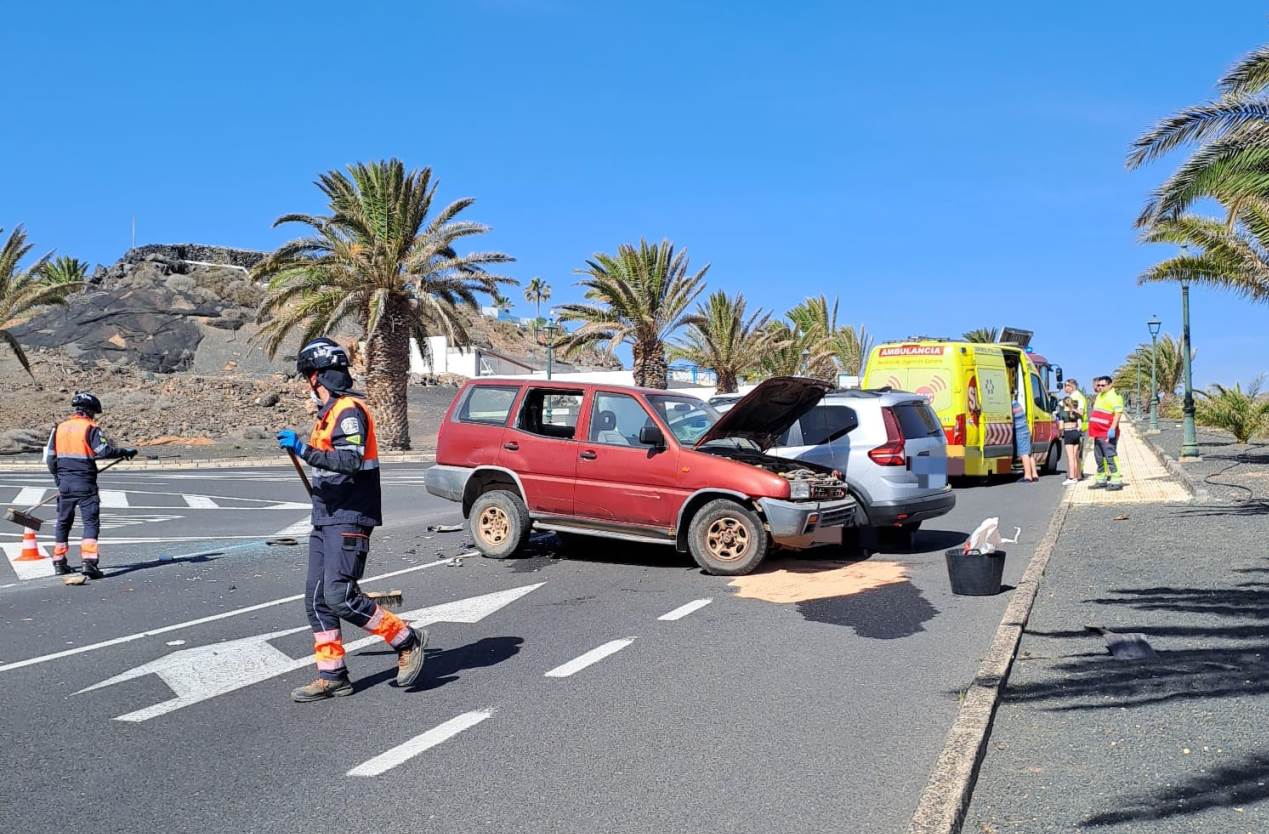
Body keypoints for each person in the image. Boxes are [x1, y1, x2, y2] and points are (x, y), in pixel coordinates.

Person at [276, 337, 426, 702]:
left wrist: (303, 450)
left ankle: (405, 638)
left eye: (307, 379)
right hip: (327, 515)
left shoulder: (348, 410)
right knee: (317, 600)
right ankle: (332, 675)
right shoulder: (326, 415)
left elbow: (350, 460)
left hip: (349, 516)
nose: (307, 387)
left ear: (316, 377)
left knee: (340, 596)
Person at [42, 392, 137, 579]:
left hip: (65, 484)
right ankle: (89, 562)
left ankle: (59, 561)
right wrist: (123, 452)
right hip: (85, 483)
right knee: (90, 522)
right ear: (90, 411)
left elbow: (51, 458)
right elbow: (102, 451)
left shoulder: (59, 428)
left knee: (63, 522)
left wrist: (58, 479)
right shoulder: (91, 427)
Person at [1088, 375, 1125, 491]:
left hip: (1107, 432)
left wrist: (1112, 429)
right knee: (1099, 457)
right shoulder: (1100, 395)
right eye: (1098, 385)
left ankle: (1116, 480)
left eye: (1103, 385)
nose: (1100, 387)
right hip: (1097, 432)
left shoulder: (1115, 396)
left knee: (1110, 456)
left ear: (1110, 385)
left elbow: (1118, 413)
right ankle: (1101, 480)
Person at [1056, 378, 1087, 485]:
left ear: (1072, 386)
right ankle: (1077, 475)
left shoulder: (1077, 397)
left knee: (1073, 456)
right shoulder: (1076, 397)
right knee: (1076, 456)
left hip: (1072, 431)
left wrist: (1069, 409)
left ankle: (1072, 476)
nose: (1064, 388)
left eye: (1066, 385)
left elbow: (1081, 412)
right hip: (1077, 429)